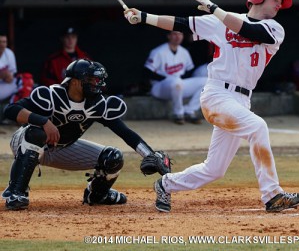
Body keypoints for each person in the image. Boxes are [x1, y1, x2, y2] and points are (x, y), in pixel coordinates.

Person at [124, 0, 299, 213]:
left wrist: (215, 9)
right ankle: (273, 195)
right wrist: (143, 16)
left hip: (242, 100)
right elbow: (180, 23)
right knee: (258, 127)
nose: (280, 4)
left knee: (214, 169)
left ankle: (165, 184)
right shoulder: (220, 21)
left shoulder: (274, 28)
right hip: (217, 95)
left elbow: (249, 31)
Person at [1, 59, 171, 210]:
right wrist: (44, 122)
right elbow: (10, 110)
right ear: (75, 81)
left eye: (98, 80)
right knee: (36, 133)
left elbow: (125, 132)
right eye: (91, 80)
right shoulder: (52, 96)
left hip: (63, 147)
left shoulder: (97, 104)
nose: (96, 84)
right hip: (28, 142)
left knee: (113, 157)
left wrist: (149, 154)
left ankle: (97, 195)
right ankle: (16, 192)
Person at [144, 31, 207, 124]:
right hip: (160, 88)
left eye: (180, 34)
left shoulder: (184, 52)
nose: (177, 37)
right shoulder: (158, 51)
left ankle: (189, 111)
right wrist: (166, 78)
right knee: (176, 81)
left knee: (207, 81)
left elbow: (189, 71)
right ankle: (178, 113)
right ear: (169, 36)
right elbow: (147, 72)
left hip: (178, 85)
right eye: (174, 34)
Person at [0, 34, 17, 102]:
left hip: (5, 83)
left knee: (25, 81)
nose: (1, 44)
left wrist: (6, 75)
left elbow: (11, 76)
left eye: (4, 42)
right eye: (0, 42)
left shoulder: (9, 53)